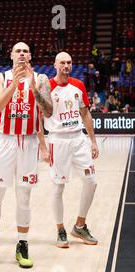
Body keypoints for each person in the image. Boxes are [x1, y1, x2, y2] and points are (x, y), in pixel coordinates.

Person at [0, 42, 53, 269]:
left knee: (24, 196)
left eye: (25, 51)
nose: (21, 54)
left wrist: (32, 86)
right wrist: (17, 84)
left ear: (30, 56)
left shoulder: (40, 79)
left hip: (28, 142)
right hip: (5, 141)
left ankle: (22, 244)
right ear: (11, 55)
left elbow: (48, 112)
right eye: (17, 51)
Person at [39, 52, 99, 248]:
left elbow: (85, 113)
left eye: (69, 62)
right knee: (58, 187)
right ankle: (60, 230)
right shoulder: (46, 86)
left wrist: (93, 141)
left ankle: (80, 225)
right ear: (55, 65)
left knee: (91, 181)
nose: (66, 65)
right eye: (62, 62)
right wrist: (43, 146)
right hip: (58, 140)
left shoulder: (78, 85)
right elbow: (38, 120)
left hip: (79, 138)